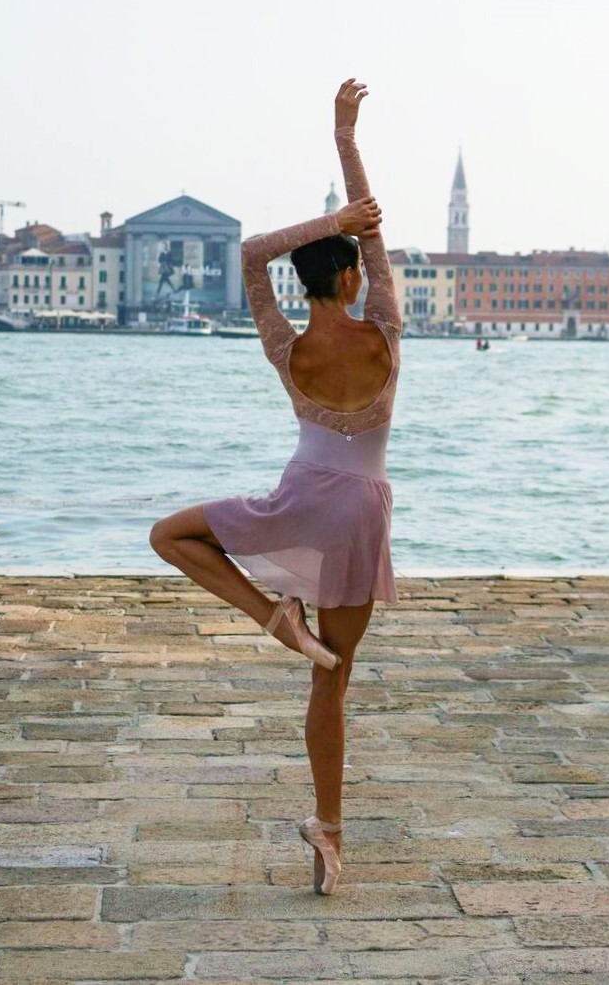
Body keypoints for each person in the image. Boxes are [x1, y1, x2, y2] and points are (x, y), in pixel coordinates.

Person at [149, 79, 402, 896]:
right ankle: (328, 833)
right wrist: (345, 140)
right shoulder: (386, 331)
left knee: (170, 534)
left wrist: (331, 220)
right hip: (362, 514)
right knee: (333, 675)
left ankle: (272, 616)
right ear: (356, 280)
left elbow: (250, 250)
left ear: (302, 287)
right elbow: (373, 230)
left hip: (300, 501)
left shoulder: (283, 345)